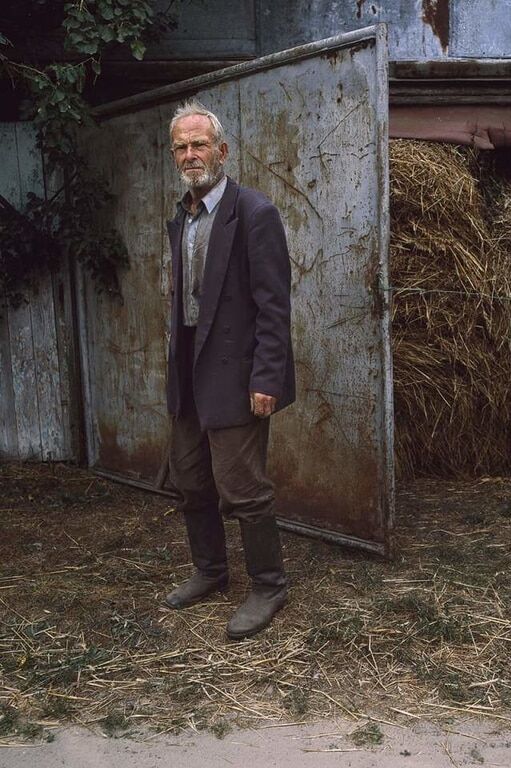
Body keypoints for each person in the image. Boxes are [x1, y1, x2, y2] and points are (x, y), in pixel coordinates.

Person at [163, 99, 295, 641]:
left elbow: (274, 304)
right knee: (191, 481)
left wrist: (267, 377)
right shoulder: (184, 215)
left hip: (238, 374)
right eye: (181, 147)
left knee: (242, 489)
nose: (191, 154)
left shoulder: (254, 212)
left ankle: (268, 584)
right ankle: (212, 572)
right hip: (190, 369)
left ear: (222, 150)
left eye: (199, 144)